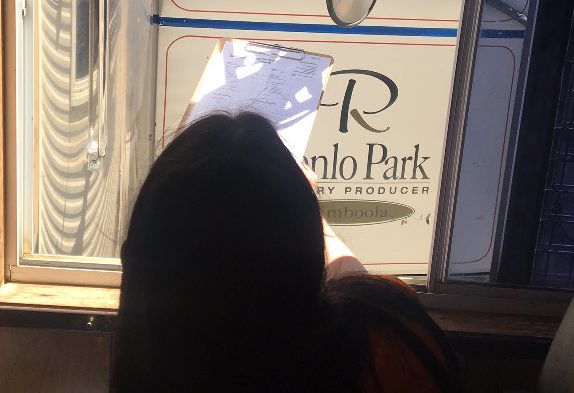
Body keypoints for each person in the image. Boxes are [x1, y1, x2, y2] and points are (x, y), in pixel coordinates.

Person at [111, 112, 461, 393]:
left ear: (133, 264)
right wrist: (307, 216)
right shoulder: (390, 339)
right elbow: (363, 294)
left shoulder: (154, 368)